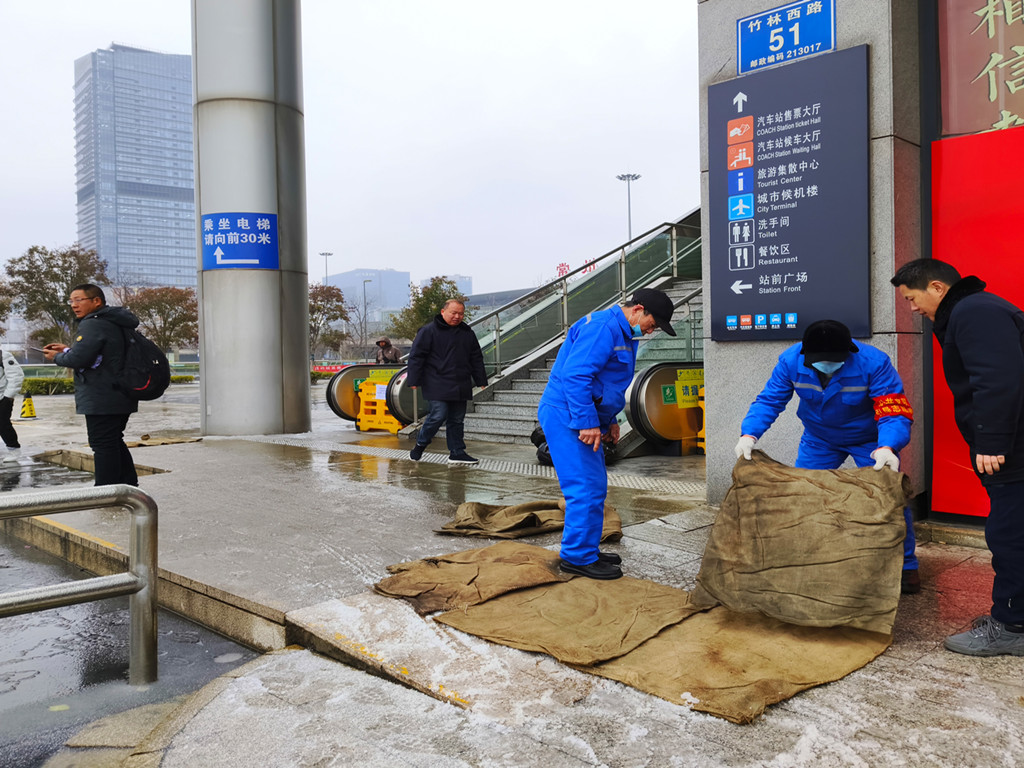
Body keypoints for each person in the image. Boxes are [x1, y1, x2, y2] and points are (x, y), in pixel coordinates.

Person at [891, 258, 1024, 657]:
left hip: (1014, 446)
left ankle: (1012, 626)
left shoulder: (974, 312)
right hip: (1014, 439)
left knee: (1009, 534)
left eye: (912, 298)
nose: (912, 308)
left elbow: (997, 379)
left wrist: (992, 441)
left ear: (937, 287)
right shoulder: (975, 309)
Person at [734, 319, 919, 592]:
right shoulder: (790, 361)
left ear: (849, 352)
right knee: (805, 495)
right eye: (820, 361)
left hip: (870, 440)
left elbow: (893, 410)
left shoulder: (874, 363)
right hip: (819, 438)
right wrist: (749, 434)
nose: (827, 365)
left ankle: (906, 566)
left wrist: (888, 446)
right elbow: (770, 400)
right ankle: (811, 558)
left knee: (890, 497)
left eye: (834, 361)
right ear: (805, 354)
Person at [539, 288, 676, 579]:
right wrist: (587, 422)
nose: (651, 331)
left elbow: (606, 385)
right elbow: (576, 376)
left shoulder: (622, 332)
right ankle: (576, 557)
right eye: (652, 324)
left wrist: (610, 420)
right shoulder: (603, 328)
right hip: (568, 415)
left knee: (595, 486)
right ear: (638, 310)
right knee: (583, 488)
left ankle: (586, 548)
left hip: (582, 414)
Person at [42, 284, 141, 487]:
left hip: (102, 395)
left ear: (96, 301)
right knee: (113, 440)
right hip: (121, 392)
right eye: (71, 301)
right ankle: (128, 485)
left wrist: (57, 357)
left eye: (79, 300)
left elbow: (80, 359)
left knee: (102, 444)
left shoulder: (93, 323)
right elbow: (101, 355)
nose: (74, 305)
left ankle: (105, 489)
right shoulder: (115, 321)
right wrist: (68, 350)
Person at [406, 299, 488, 465]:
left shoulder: (467, 332)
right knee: (438, 415)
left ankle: (457, 452)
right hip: (436, 381)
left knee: (457, 420)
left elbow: (476, 357)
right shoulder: (428, 331)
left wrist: (481, 379)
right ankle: (421, 444)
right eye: (453, 313)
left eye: (461, 314)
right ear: (443, 312)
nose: (457, 316)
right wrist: (414, 379)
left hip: (460, 382)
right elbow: (416, 356)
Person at [0, 350, 25, 463]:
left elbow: (16, 376)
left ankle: (14, 449)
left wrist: (8, 396)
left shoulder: (3, 355)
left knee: (3, 424)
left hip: (2, 397)